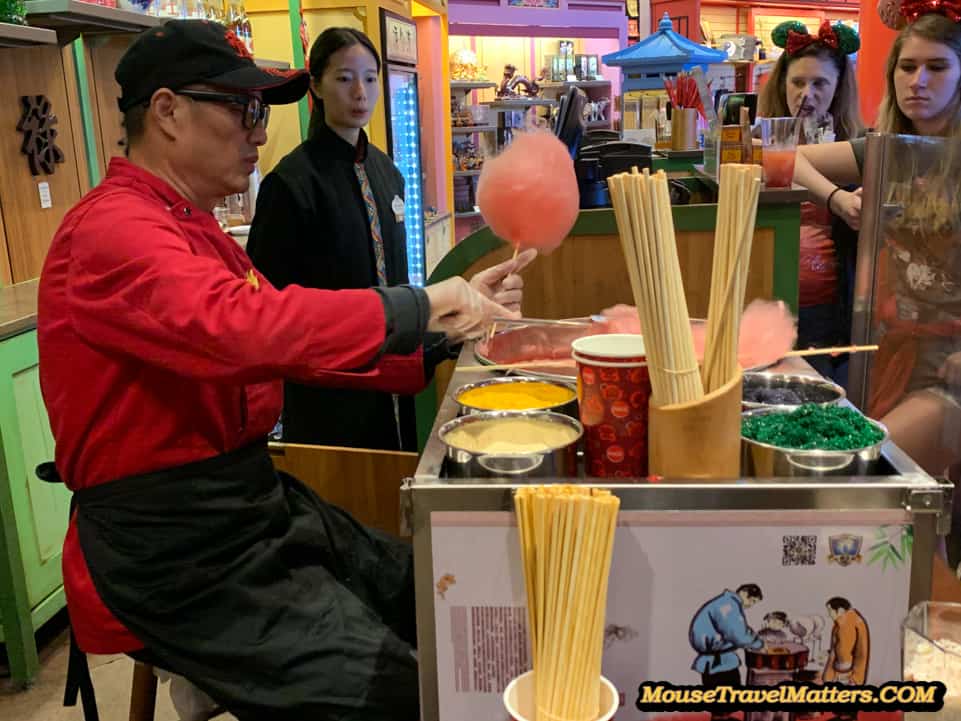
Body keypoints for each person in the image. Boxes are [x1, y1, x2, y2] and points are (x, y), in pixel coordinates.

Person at [37, 20, 520, 721]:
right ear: (168, 112)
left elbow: (291, 349)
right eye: (243, 109)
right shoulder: (113, 231)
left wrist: (442, 335)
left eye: (259, 111)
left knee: (436, 593)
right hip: (169, 549)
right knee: (396, 692)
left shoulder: (196, 228)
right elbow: (247, 328)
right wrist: (418, 304)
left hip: (248, 504)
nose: (259, 131)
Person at [246, 27, 536, 449]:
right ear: (316, 87)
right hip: (327, 396)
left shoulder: (388, 173)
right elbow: (267, 310)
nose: (359, 92)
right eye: (344, 79)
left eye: (369, 78)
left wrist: (449, 320)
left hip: (395, 379)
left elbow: (399, 287)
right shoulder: (291, 185)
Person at [792, 9, 961, 475]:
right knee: (903, 515)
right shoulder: (888, 150)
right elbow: (790, 157)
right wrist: (838, 199)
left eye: (937, 67)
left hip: (950, 368)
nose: (918, 81)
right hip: (888, 352)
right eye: (907, 67)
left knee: (869, 472)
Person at [759, 19, 863, 383]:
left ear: (838, 89)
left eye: (820, 83)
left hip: (828, 308)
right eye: (798, 82)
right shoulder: (756, 141)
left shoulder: (853, 148)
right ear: (782, 84)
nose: (808, 94)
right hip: (764, 296)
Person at [689, 583, 764, 721]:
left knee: (726, 697)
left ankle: (723, 717)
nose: (750, 606)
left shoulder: (725, 603)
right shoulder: (728, 605)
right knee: (722, 697)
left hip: (719, 659)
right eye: (752, 601)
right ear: (744, 594)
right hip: (717, 663)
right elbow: (739, 635)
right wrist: (759, 644)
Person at [822, 597, 870, 685]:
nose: (829, 614)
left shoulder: (854, 623)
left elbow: (861, 654)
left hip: (849, 677)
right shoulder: (837, 626)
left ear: (840, 610)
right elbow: (834, 651)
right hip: (837, 674)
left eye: (830, 611)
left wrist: (855, 678)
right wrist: (828, 676)